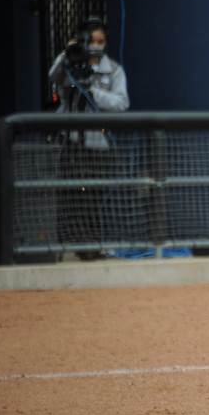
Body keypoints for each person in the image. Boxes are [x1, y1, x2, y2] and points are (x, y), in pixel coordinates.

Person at [48, 16, 130, 259]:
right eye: (91, 41)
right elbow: (54, 78)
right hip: (72, 145)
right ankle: (68, 248)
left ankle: (92, 247)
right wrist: (68, 54)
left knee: (94, 198)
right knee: (70, 197)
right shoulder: (69, 62)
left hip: (99, 148)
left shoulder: (113, 69)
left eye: (101, 41)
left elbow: (121, 103)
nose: (96, 45)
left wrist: (94, 93)